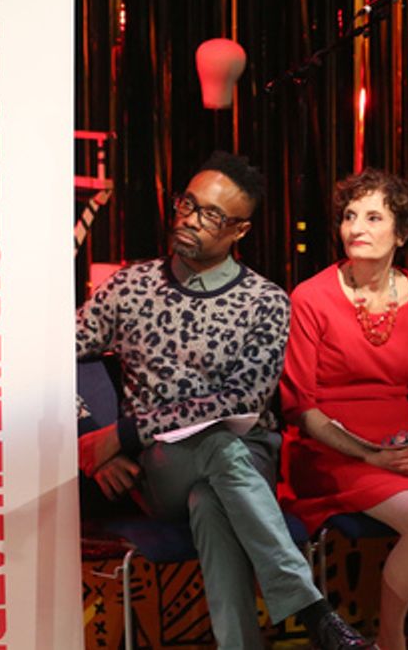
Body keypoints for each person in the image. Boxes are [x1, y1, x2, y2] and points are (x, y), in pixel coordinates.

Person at [75, 151, 372, 650]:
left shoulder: (265, 302)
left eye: (211, 215)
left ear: (240, 231)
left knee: (211, 496)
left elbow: (239, 401)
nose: (190, 220)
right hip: (161, 467)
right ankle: (312, 609)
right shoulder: (130, 286)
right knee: (216, 453)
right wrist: (93, 439)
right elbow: (49, 360)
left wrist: (123, 432)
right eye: (188, 205)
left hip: (245, 459)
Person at [281, 169, 408, 650]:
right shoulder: (310, 298)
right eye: (350, 216)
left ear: (402, 233)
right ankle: (391, 641)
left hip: (402, 442)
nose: (356, 228)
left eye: (373, 217)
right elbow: (298, 405)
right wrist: (370, 455)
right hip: (330, 447)